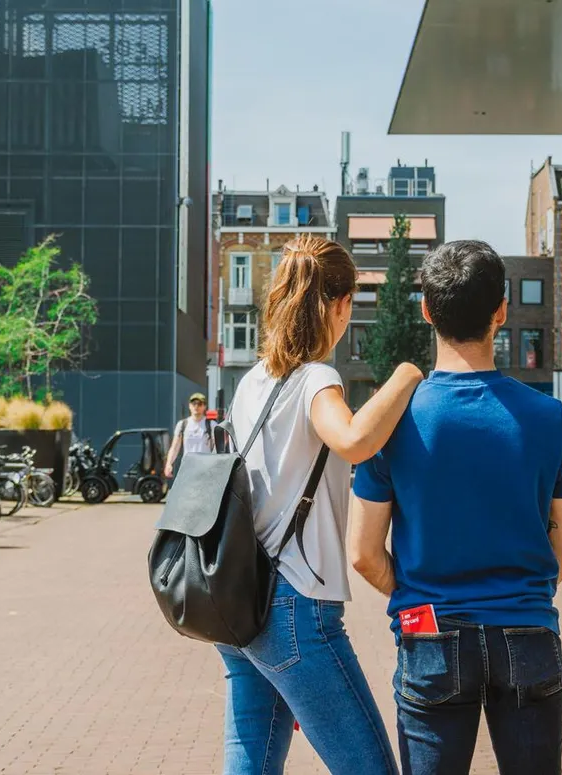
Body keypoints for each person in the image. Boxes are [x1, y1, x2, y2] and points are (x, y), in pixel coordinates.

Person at [350, 240, 562, 774]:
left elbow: (364, 554)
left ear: (426, 310)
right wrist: (520, 595)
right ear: (501, 311)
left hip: (429, 629)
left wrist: (415, 594)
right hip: (527, 628)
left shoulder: (391, 423)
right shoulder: (548, 416)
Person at [217, 235, 416, 775]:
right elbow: (352, 440)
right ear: (340, 305)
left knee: (251, 762)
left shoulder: (251, 382)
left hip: (240, 600)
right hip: (296, 604)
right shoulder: (316, 379)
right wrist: (406, 375)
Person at [164, 392, 216, 479]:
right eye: (194, 403)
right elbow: (175, 447)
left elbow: (217, 448)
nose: (196, 406)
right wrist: (169, 463)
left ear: (204, 406)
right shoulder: (182, 424)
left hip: (206, 469)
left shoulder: (212, 425)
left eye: (199, 404)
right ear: (189, 406)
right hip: (188, 468)